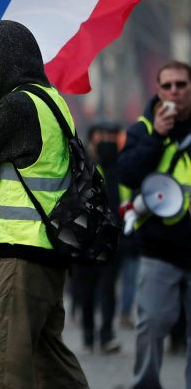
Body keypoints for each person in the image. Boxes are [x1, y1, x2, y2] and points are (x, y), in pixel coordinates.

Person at [0, 19, 101, 389]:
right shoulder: (49, 98)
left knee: (7, 371)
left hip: (25, 254)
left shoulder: (18, 106)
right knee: (51, 366)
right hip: (46, 250)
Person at [118, 60, 191, 389]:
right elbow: (127, 173)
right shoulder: (142, 129)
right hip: (159, 248)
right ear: (158, 90)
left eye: (181, 85)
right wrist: (158, 138)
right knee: (151, 327)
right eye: (168, 86)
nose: (175, 92)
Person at [71, 121, 123, 355]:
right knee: (87, 290)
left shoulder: (119, 167)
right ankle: (89, 332)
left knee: (108, 289)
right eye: (100, 135)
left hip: (110, 238)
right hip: (86, 239)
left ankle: (107, 334)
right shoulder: (82, 166)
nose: (105, 141)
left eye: (109, 136)